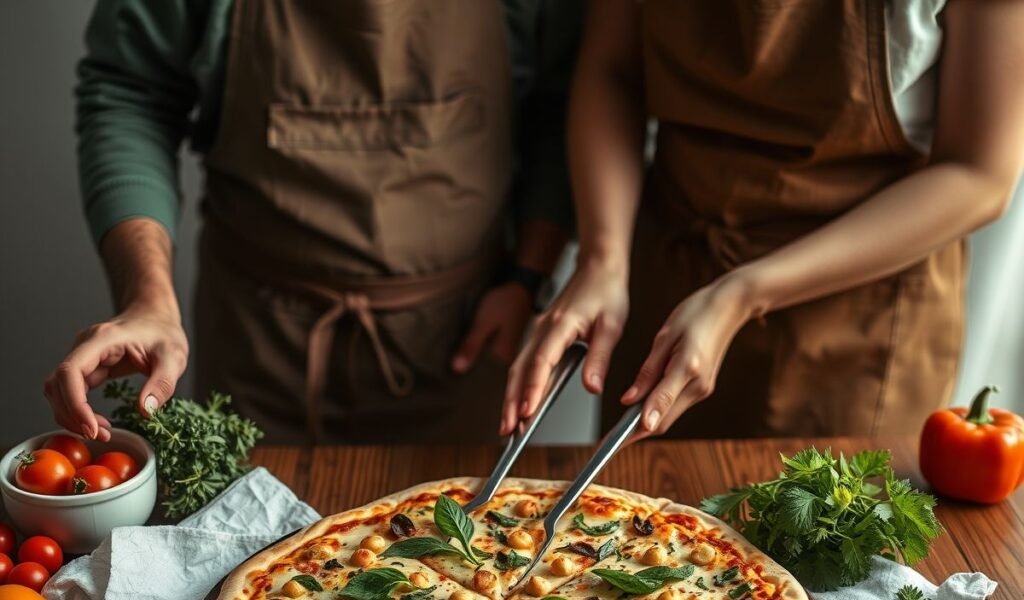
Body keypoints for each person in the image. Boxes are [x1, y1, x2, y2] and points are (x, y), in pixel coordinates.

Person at [47, 0, 582, 444]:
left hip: (463, 342)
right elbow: (130, 93)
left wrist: (527, 277)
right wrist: (148, 300)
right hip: (260, 345)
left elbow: (560, 107)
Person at [502, 0, 1024, 441]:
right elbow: (612, 70)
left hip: (857, 319)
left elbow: (981, 173)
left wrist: (742, 293)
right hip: (670, 269)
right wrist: (603, 256)